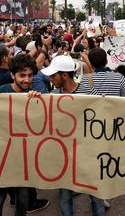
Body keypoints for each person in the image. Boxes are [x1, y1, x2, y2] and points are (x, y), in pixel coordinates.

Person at [0, 54, 50, 216]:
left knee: (23, 199)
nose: (26, 80)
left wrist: (38, 103)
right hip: (0, 159)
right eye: (22, 75)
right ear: (12, 75)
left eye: (30, 75)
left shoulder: (34, 96)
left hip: (23, 159)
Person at [36, 55, 103, 216]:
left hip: (88, 153)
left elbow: (101, 116)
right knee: (65, 195)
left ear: (64, 75)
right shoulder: (52, 95)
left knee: (96, 195)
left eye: (53, 75)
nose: (51, 78)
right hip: (64, 154)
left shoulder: (89, 91)